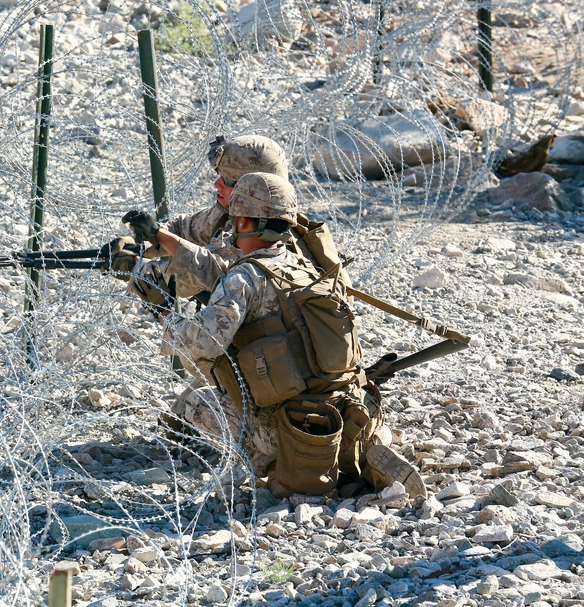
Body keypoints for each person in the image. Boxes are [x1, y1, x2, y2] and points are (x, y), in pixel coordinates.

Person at [152, 171, 426, 498]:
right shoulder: (306, 265)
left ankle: (268, 461)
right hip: (346, 401)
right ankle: (365, 447)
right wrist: (163, 238)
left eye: (237, 218)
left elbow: (204, 343)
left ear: (247, 223)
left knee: (195, 403)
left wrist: (166, 314)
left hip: (287, 421)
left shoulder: (243, 280)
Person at [110, 134, 290, 307]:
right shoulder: (235, 212)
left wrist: (135, 266)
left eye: (227, 180)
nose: (216, 184)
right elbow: (187, 229)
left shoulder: (258, 235)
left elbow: (188, 276)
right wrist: (144, 243)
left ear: (252, 189)